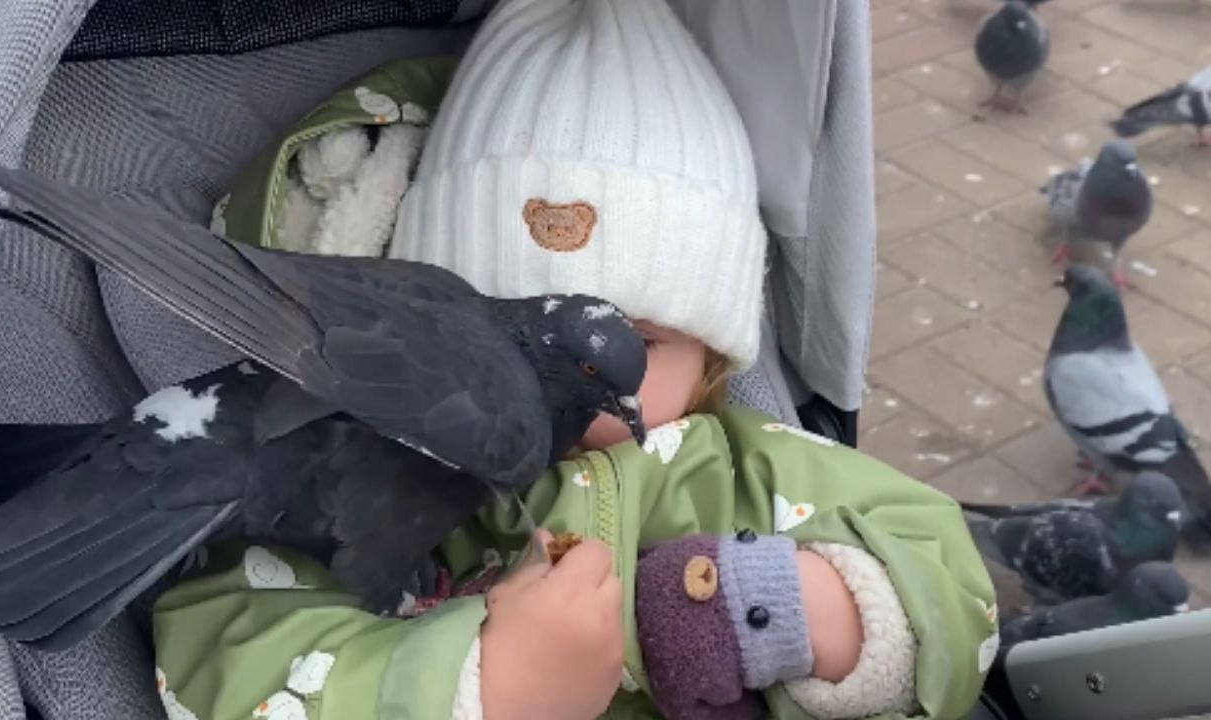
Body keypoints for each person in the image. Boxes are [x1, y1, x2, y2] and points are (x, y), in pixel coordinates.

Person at [151, 1, 997, 719]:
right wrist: (483, 687)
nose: (561, 393)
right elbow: (220, 630)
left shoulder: (753, 472)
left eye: (644, 343)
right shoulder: (354, 477)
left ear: (710, 358)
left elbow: (945, 579)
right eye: (503, 338)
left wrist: (783, 606)